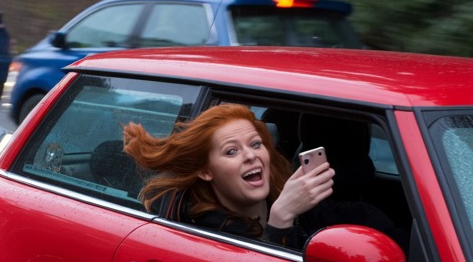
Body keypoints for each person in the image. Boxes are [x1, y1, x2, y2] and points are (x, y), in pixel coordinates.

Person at [122, 103, 404, 250]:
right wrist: (280, 222)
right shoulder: (208, 233)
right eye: (232, 151)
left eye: (256, 144)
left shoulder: (295, 202)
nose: (250, 155)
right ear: (206, 171)